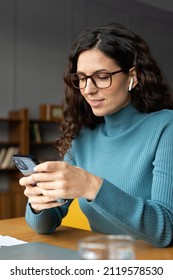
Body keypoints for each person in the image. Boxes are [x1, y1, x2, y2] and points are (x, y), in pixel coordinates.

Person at [19, 22, 173, 248]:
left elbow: (166, 229)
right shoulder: (83, 139)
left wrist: (92, 186)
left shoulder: (166, 127)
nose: (88, 89)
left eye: (101, 76)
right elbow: (45, 226)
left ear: (133, 76)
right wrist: (38, 204)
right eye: (82, 78)